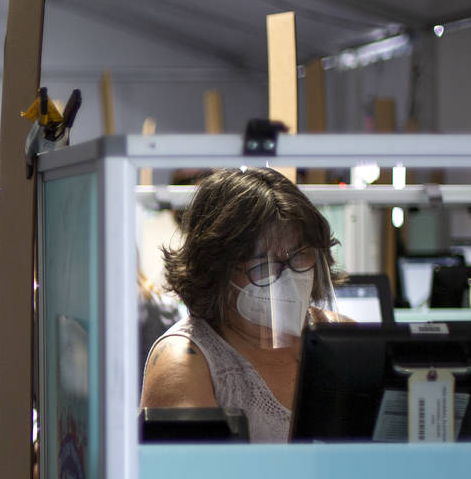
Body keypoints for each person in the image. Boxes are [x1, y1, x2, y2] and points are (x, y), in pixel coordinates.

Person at [140, 167, 348, 442]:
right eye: (263, 262)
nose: (287, 274)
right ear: (216, 268)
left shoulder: (340, 339)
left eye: (299, 255)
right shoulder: (185, 361)